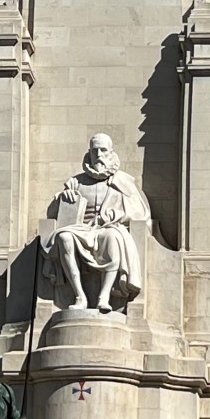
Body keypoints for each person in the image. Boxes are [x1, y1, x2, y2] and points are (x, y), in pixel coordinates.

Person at [43, 133, 150, 313]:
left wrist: (114, 215)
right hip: (82, 229)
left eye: (103, 150)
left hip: (108, 228)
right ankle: (80, 296)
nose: (99, 155)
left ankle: (104, 296)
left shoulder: (122, 181)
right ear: (89, 153)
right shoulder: (76, 182)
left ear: (111, 153)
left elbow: (139, 213)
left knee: (113, 237)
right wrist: (62, 198)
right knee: (64, 237)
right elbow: (52, 214)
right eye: (95, 151)